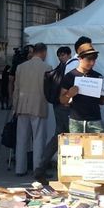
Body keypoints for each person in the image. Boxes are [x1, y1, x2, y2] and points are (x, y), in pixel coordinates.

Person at [34, 46, 73, 183]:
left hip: (58, 106)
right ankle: (48, 168)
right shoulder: (69, 68)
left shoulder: (57, 69)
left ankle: (41, 167)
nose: (62, 57)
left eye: (63, 55)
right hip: (65, 107)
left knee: (59, 137)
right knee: (65, 137)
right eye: (60, 55)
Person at [12, 43, 51, 176]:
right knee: (39, 139)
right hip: (39, 105)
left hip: (22, 106)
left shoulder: (20, 67)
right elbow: (48, 89)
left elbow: (16, 89)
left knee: (22, 139)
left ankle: (19, 168)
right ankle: (37, 169)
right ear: (43, 52)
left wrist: (15, 107)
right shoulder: (47, 67)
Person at [59, 40, 104, 133]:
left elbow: (102, 101)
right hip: (76, 121)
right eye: (89, 59)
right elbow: (62, 100)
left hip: (95, 120)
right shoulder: (70, 76)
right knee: (76, 148)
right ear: (80, 58)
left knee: (98, 147)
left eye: (94, 59)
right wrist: (69, 94)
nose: (92, 62)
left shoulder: (98, 76)